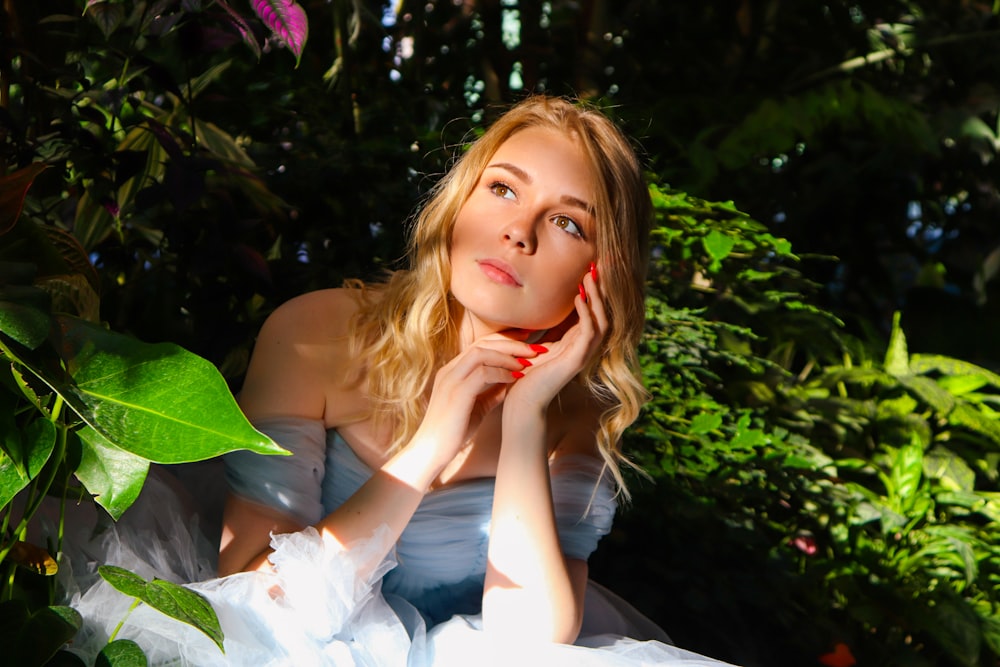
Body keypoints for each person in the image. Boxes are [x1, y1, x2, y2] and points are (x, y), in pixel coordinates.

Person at [64, 95, 735, 666]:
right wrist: (430, 445)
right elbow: (243, 596)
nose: (518, 232)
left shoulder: (574, 408)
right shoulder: (316, 336)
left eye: (566, 222)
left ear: (603, 271)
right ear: (459, 203)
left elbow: (532, 639)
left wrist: (527, 418)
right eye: (502, 188)